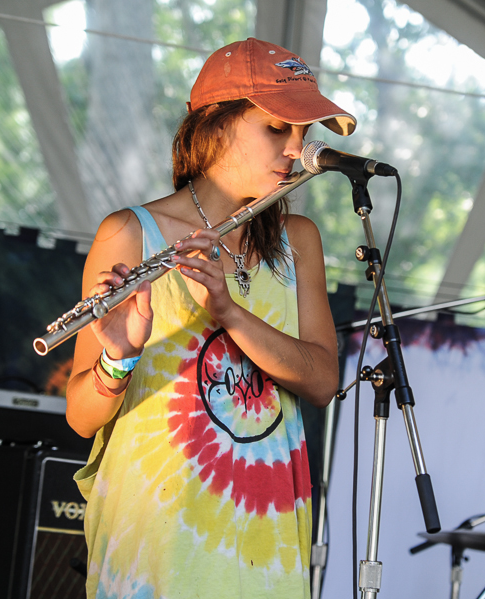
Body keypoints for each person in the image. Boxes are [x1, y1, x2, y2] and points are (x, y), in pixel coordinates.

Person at [65, 38, 356, 599]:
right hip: (157, 547)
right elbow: (80, 418)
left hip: (266, 540)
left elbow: (322, 381)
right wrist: (117, 359)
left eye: (304, 133)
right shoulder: (130, 234)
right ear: (214, 127)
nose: (297, 149)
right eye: (277, 128)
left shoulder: (298, 241)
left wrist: (228, 313)